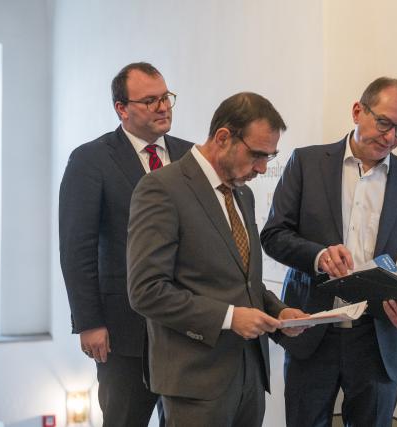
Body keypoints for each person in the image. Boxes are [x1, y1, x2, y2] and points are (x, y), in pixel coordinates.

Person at [260, 77, 397, 427]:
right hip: (312, 329)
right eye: (384, 123)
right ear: (358, 111)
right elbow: (274, 235)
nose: (390, 138)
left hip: (379, 337)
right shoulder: (306, 163)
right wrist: (318, 255)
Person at [126, 92, 308, 427]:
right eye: (257, 155)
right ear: (223, 137)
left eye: (270, 157)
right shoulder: (161, 189)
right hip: (195, 382)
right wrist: (228, 317)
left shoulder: (244, 194)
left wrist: (278, 311)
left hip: (250, 376)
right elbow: (146, 290)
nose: (262, 168)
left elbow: (243, 281)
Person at [59, 62, 194, 427]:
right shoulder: (91, 159)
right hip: (124, 331)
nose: (163, 107)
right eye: (150, 101)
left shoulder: (192, 156)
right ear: (122, 108)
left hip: (188, 328)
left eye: (165, 97)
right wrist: (89, 322)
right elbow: (77, 248)